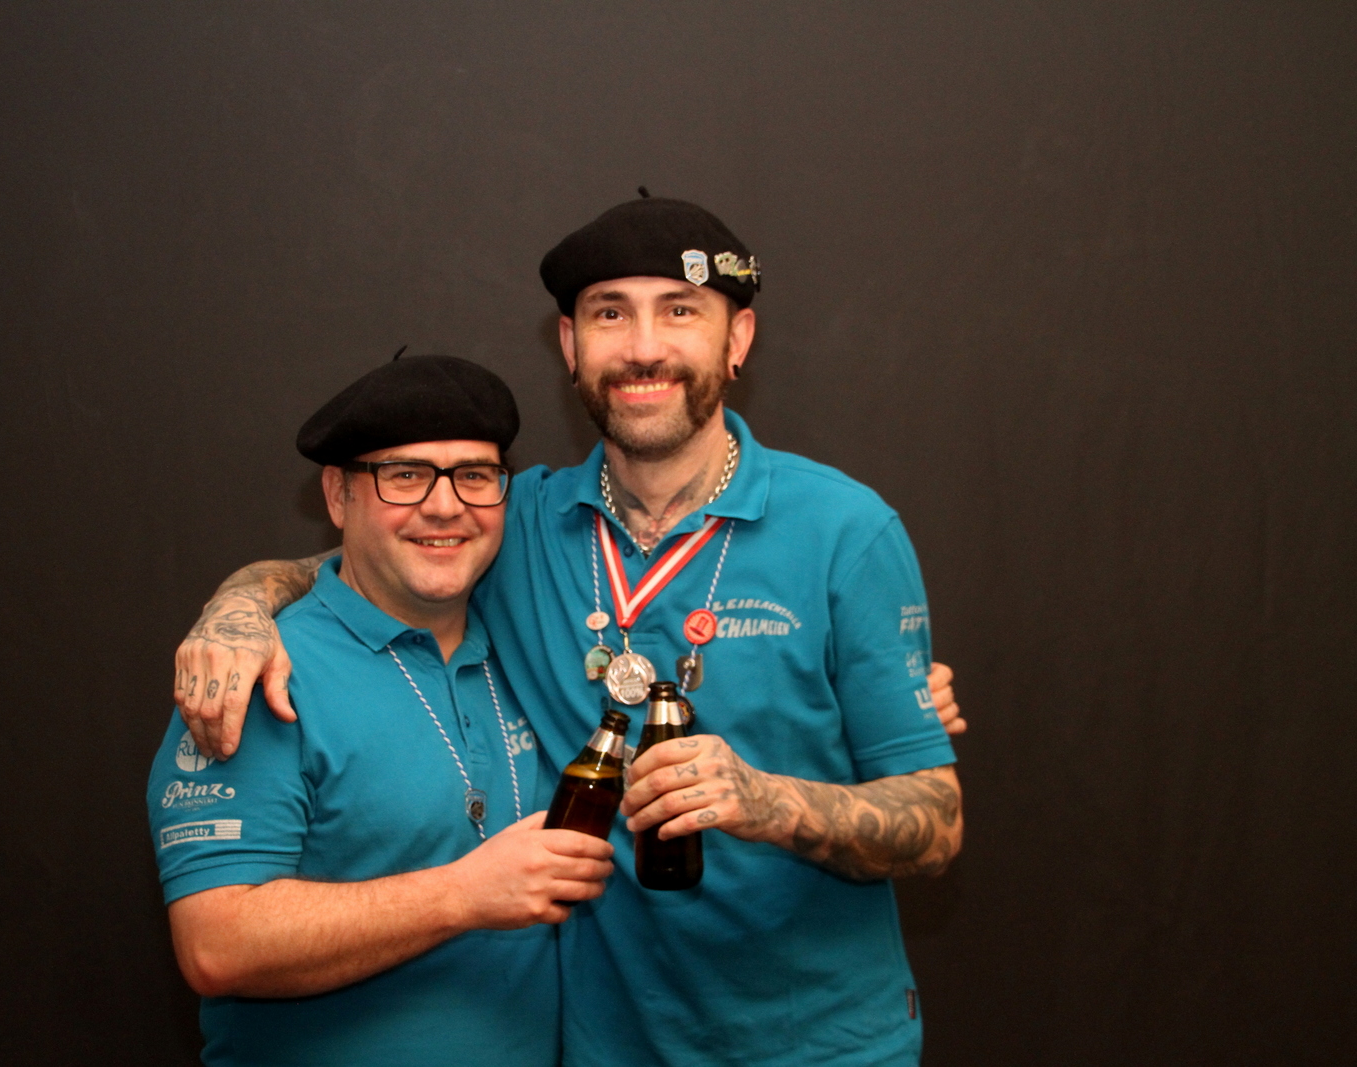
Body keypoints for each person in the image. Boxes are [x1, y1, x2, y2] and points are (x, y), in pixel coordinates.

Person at [173, 196, 965, 1066]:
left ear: (737, 339)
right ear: (570, 344)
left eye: (680, 311)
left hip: (816, 1045)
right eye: (609, 314)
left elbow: (936, 820)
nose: (644, 347)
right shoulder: (514, 520)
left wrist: (765, 799)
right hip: (605, 1044)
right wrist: (238, 609)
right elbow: (366, 559)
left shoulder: (847, 532)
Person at [147, 354, 614, 1066]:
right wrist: (463, 892)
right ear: (338, 496)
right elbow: (217, 944)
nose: (445, 505)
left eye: (474, 475)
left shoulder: (526, 641)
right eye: (404, 475)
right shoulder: (264, 674)